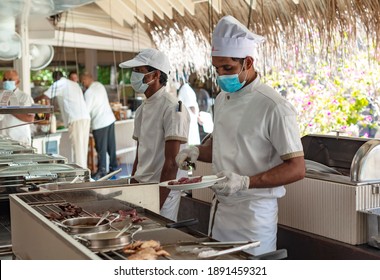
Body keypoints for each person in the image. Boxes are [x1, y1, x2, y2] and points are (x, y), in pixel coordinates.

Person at [175, 15, 305, 256]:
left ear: (247, 61)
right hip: (222, 212)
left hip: (254, 217)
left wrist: (245, 182)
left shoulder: (274, 106)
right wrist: (195, 151)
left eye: (228, 68)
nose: (221, 75)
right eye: (217, 69)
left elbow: (297, 168)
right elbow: (224, 144)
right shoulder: (223, 99)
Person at [119, 48, 190, 221]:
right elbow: (140, 153)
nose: (133, 75)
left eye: (139, 71)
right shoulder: (142, 109)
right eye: (133, 71)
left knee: (155, 242)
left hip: (162, 190)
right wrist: (132, 191)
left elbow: (172, 163)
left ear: (156, 75)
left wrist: (155, 204)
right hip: (142, 187)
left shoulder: (172, 108)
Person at [43, 71, 90, 169]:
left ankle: (81, 178)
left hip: (76, 119)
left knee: (78, 150)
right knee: (83, 149)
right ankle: (84, 174)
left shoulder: (60, 83)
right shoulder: (73, 84)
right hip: (84, 118)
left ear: (55, 79)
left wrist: (31, 101)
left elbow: (45, 96)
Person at [80, 72, 118, 180]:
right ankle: (114, 168)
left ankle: (102, 171)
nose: (83, 84)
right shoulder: (99, 85)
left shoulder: (89, 93)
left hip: (99, 123)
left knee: (101, 149)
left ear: (86, 80)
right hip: (109, 119)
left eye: (83, 81)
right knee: (111, 147)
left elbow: (86, 111)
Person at [0, 70, 35, 145]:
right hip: (4, 140)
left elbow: (30, 118)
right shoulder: (1, 96)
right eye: (5, 79)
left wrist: (10, 109)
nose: (6, 82)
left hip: (20, 140)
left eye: (10, 80)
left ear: (17, 82)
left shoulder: (24, 97)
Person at [177, 77, 201, 145]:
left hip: (189, 120)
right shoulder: (184, 89)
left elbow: (192, 106)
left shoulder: (185, 89)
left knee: (190, 142)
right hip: (187, 120)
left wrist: (197, 117)